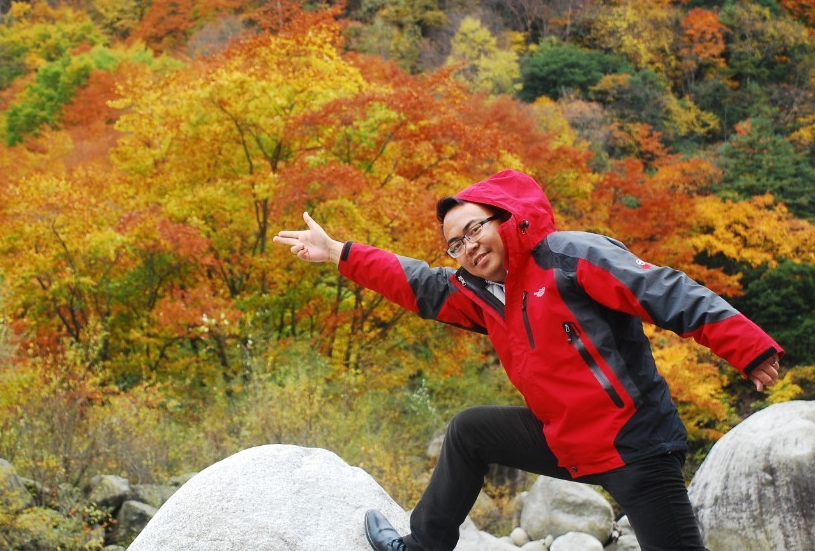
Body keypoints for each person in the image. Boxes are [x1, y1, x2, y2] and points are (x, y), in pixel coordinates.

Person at [272, 170, 783, 551]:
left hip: (636, 445)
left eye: (474, 229)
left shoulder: (568, 256)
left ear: (505, 217)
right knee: (470, 431)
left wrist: (747, 347)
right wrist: (338, 252)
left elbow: (664, 290)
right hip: (566, 440)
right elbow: (419, 284)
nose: (468, 247)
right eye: (455, 244)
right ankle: (424, 545)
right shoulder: (483, 296)